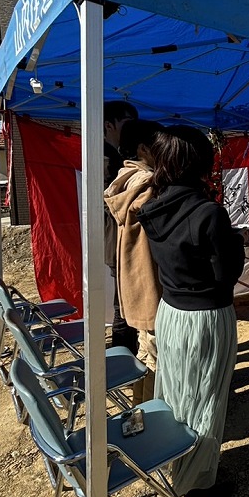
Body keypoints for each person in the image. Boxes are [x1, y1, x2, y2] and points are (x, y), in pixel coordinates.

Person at [137, 126, 245, 497]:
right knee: (205, 397)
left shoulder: (152, 208)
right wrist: (236, 241)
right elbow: (226, 275)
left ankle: (177, 461)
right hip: (206, 318)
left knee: (178, 392)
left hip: (171, 312)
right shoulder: (208, 213)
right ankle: (196, 484)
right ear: (203, 164)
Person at [104, 119, 164, 405]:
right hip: (151, 285)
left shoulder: (125, 179)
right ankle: (153, 422)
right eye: (161, 146)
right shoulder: (148, 185)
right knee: (156, 360)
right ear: (144, 149)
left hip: (136, 285)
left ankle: (142, 410)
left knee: (146, 353)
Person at [103, 100, 139, 353]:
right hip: (119, 241)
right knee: (124, 305)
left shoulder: (118, 155)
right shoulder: (108, 158)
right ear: (109, 125)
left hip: (123, 241)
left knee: (128, 302)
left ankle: (127, 357)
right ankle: (124, 360)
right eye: (127, 124)